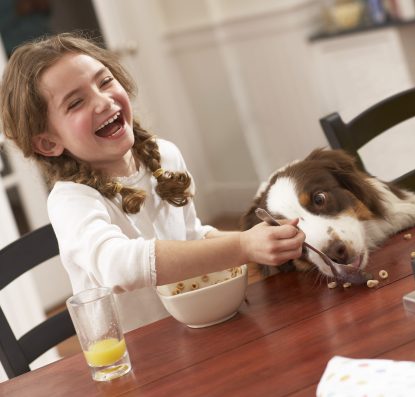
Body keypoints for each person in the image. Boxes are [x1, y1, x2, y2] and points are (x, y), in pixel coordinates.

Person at [0, 33, 305, 332]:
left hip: (194, 328)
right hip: (136, 360)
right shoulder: (71, 199)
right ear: (49, 143)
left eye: (105, 81)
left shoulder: (164, 155)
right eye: (76, 102)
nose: (103, 101)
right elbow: (116, 266)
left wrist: (258, 240)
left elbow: (190, 237)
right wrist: (242, 246)